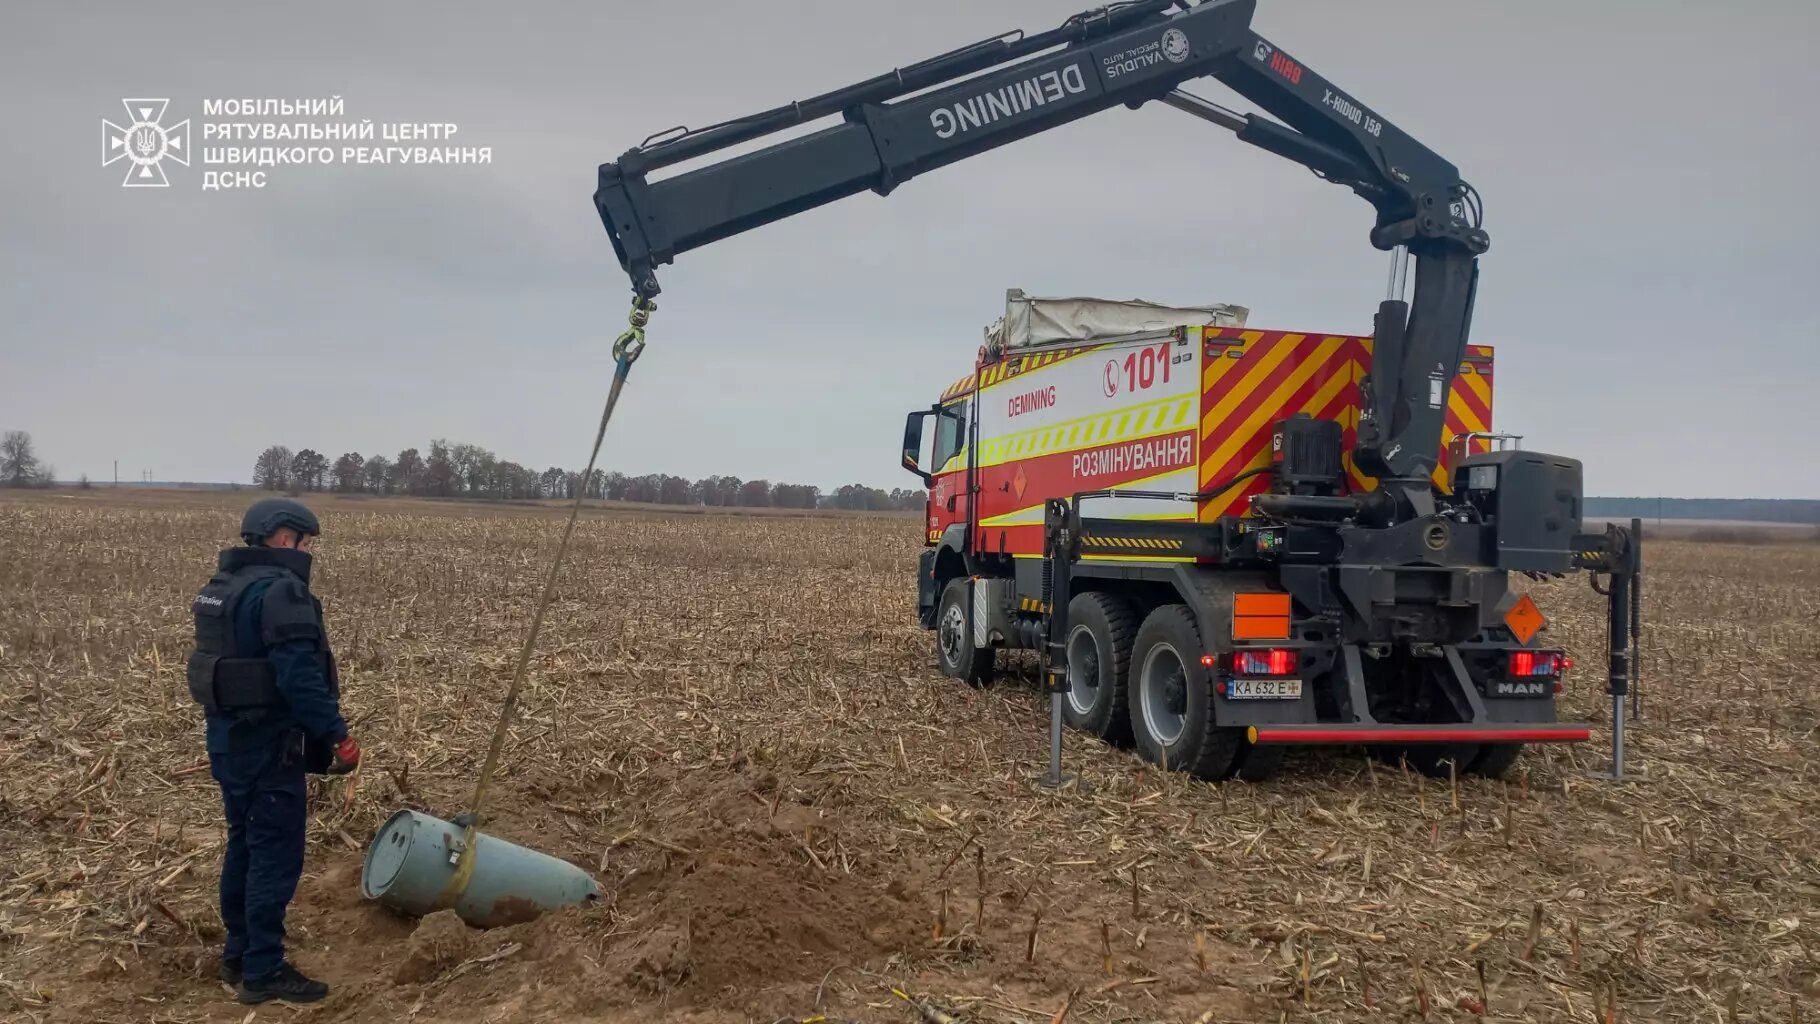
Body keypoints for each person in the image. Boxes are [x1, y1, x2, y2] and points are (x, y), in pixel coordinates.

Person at [185, 498, 359, 1004]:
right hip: (269, 747)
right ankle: (264, 969)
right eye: (305, 542)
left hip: (227, 741)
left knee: (243, 844)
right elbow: (300, 679)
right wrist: (337, 735)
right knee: (274, 856)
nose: (307, 551)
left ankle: (238, 955)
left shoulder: (222, 589)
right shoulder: (282, 592)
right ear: (284, 537)